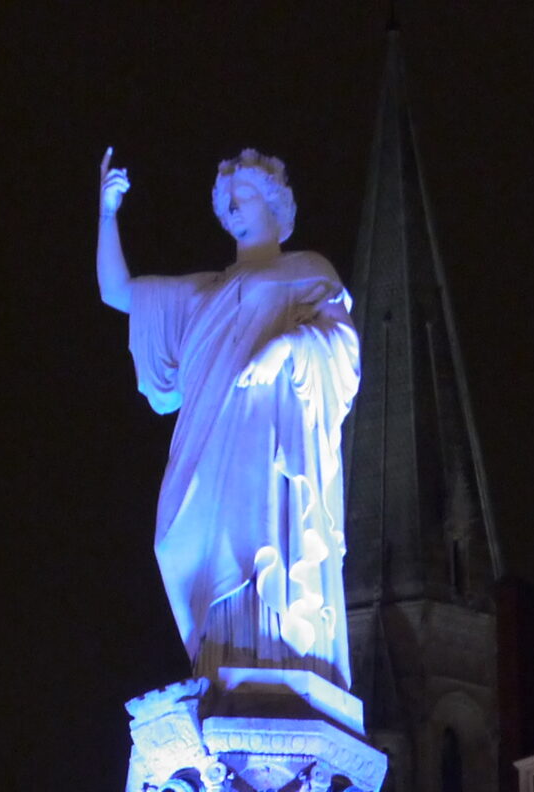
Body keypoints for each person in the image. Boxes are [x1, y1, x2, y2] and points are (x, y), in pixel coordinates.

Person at [97, 146, 360, 688]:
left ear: (274, 205)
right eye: (227, 203)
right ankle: (220, 664)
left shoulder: (308, 271)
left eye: (243, 197)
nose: (235, 210)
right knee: (175, 538)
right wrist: (107, 214)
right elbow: (117, 292)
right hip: (206, 441)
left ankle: (271, 659)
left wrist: (287, 348)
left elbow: (343, 345)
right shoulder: (204, 292)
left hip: (266, 445)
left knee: (258, 538)